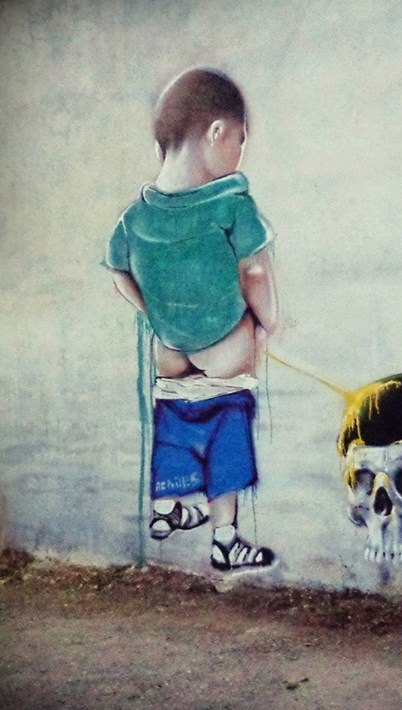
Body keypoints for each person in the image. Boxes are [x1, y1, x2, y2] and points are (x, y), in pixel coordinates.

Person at [104, 68, 278, 571]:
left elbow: (118, 271)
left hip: (172, 358)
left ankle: (167, 508)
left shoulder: (135, 218)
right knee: (226, 441)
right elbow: (255, 271)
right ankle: (225, 540)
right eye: (240, 140)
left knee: (176, 429)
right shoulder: (232, 204)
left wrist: (153, 310)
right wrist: (269, 321)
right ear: (217, 132)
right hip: (225, 357)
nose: (240, 153)